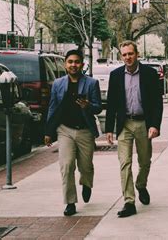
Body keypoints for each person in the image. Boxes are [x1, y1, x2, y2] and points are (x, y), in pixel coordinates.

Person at [105, 40, 163, 218]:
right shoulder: (115, 75)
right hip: (125, 125)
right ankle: (129, 201)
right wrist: (109, 129)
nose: (128, 57)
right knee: (125, 163)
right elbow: (112, 104)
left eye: (130, 54)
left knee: (145, 161)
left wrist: (155, 125)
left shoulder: (149, 74)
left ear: (137, 54)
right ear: (121, 56)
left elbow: (156, 103)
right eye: (124, 55)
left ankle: (141, 184)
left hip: (143, 123)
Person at [44, 49, 102, 216]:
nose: (73, 65)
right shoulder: (58, 84)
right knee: (67, 165)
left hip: (85, 131)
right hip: (65, 130)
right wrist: (48, 131)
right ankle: (70, 202)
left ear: (82, 64)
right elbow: (53, 108)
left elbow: (98, 108)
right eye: (70, 62)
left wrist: (88, 106)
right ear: (65, 64)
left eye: (76, 62)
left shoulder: (91, 83)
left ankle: (87, 183)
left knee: (86, 167)